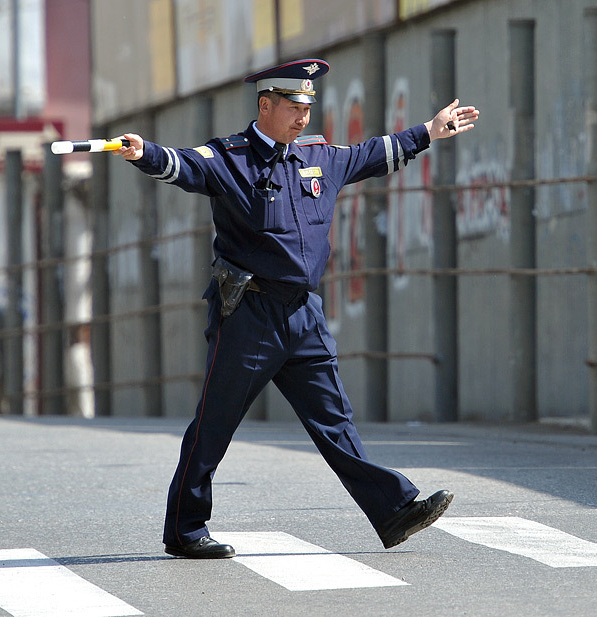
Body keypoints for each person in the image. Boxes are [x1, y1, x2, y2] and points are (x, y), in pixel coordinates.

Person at [113, 58, 479, 559]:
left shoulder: (318, 155)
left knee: (335, 421)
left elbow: (372, 154)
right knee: (214, 423)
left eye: (307, 106)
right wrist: (144, 153)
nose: (303, 116)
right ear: (265, 105)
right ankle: (184, 528)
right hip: (249, 314)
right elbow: (183, 166)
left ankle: (393, 511)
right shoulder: (230, 157)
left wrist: (428, 133)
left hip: (304, 315)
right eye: (292, 106)